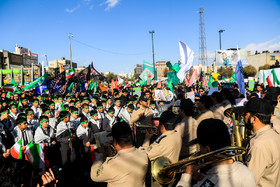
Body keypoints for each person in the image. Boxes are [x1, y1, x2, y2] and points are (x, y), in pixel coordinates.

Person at [176, 119, 256, 187]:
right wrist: (200, 177)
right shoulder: (246, 171)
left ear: (207, 149)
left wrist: (186, 176)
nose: (199, 151)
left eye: (200, 147)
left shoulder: (211, 182)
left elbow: (215, 181)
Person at [91, 121, 148, 187]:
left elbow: (94, 175)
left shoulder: (111, 164)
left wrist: (101, 154)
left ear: (115, 141)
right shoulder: (143, 154)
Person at [240, 97, 280, 186]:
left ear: (254, 119)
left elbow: (249, 181)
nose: (243, 117)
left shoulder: (258, 144)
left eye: (245, 114)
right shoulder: (275, 134)